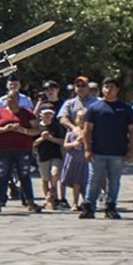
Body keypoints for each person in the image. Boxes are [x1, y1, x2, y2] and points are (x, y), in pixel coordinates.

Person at [79, 78, 133, 220]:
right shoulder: (94, 108)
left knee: (114, 180)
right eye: (105, 87)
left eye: (111, 87)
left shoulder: (126, 108)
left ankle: (111, 206)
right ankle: (88, 206)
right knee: (94, 179)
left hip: (118, 151)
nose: (108, 90)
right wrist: (87, 149)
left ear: (117, 90)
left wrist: (132, 150)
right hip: (98, 151)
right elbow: (87, 130)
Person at [0, 92, 42, 213]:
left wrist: (23, 130)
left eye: (12, 99)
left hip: (23, 148)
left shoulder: (27, 113)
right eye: (8, 99)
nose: (10, 101)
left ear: (18, 100)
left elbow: (36, 130)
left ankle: (29, 201)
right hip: (3, 149)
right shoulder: (0, 113)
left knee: (24, 174)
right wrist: (3, 129)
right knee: (3, 174)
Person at [58, 77, 93, 208]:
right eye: (78, 86)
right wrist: (75, 129)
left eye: (83, 86)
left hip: (91, 141)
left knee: (91, 174)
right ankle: (70, 201)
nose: (80, 88)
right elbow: (62, 117)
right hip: (74, 142)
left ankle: (90, 200)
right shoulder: (70, 103)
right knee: (72, 174)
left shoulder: (96, 102)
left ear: (88, 87)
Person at [34, 89, 69, 210]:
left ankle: (52, 192)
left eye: (50, 113)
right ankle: (47, 199)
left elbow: (62, 141)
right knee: (45, 178)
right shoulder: (37, 126)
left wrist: (50, 138)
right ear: (41, 114)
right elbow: (32, 144)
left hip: (56, 154)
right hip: (42, 154)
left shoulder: (57, 126)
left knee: (55, 173)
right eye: (45, 113)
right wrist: (42, 139)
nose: (48, 115)